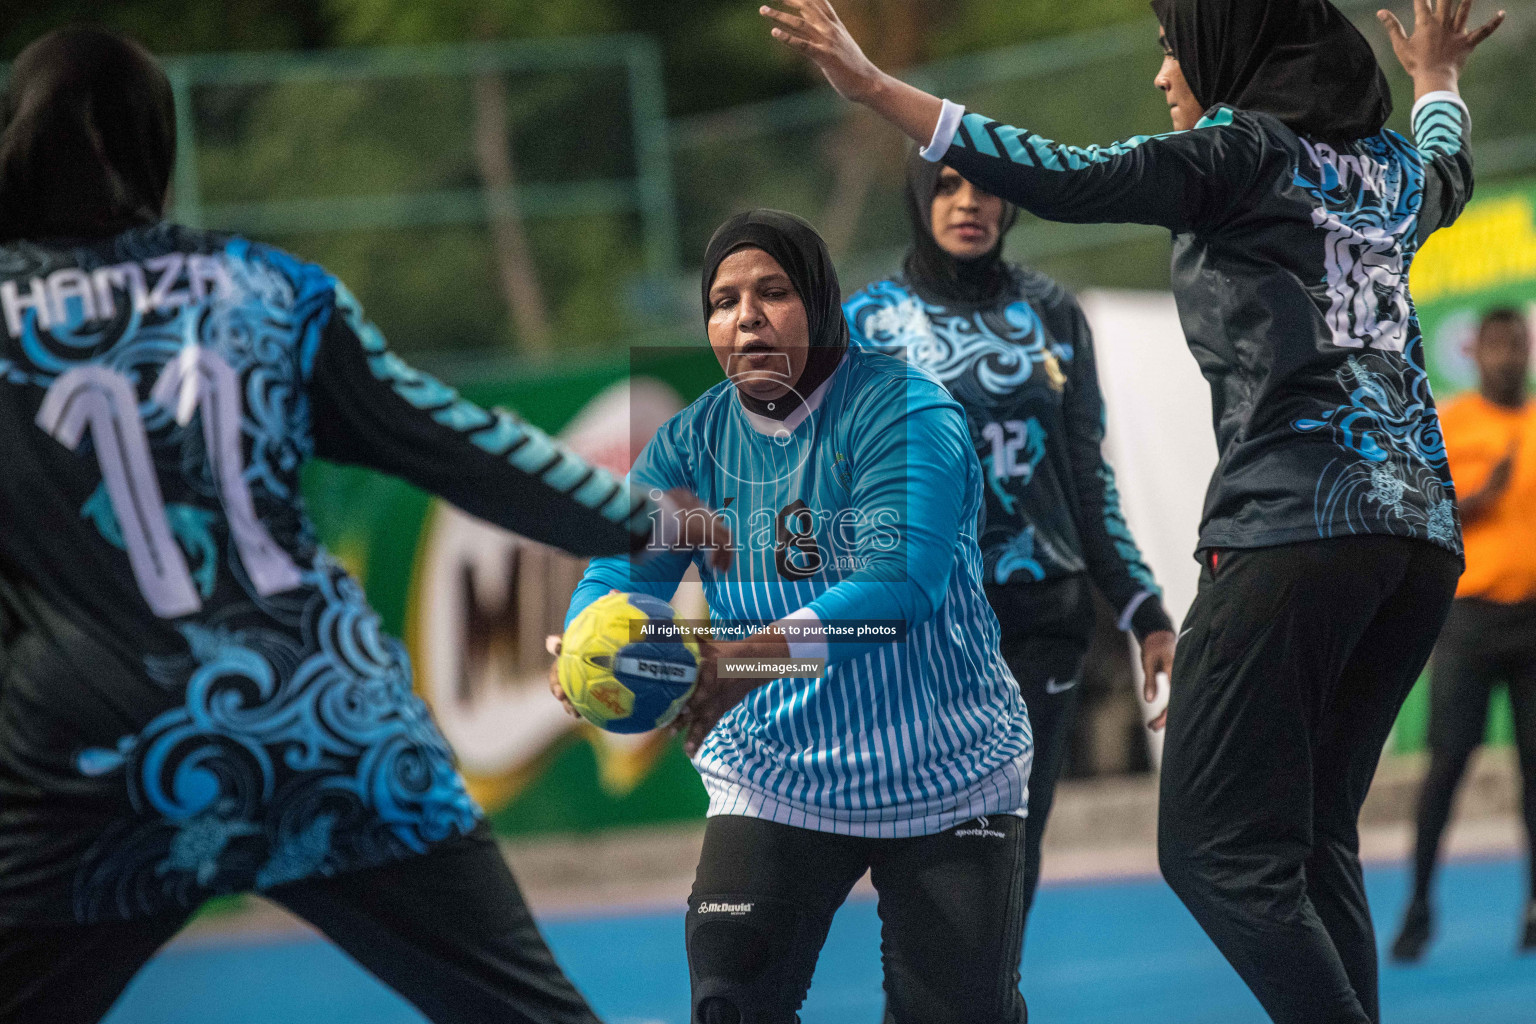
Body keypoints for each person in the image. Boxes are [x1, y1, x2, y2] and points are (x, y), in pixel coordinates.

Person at [760, 0, 1502, 1020]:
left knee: (1210, 852)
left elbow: (1075, 177)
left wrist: (879, 90)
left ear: (1227, 55)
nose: (1163, 75)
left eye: (1172, 50)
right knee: (1314, 836)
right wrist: (1438, 79)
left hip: (1293, 530)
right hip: (1419, 541)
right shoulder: (1385, 173)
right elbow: (1448, 170)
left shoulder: (1242, 152)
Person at [0, 28, 731, 1024]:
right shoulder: (271, 292)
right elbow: (460, 447)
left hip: (98, 760)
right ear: (159, 154)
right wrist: (645, 518)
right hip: (332, 730)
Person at [554, 209, 1032, 1024]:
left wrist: (740, 664)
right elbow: (619, 568)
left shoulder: (905, 412)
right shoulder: (690, 443)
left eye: (772, 292)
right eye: (722, 299)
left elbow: (900, 586)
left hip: (948, 773)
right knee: (729, 1003)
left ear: (819, 300)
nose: (745, 316)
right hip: (778, 774)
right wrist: (591, 638)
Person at [844, 152, 1175, 938]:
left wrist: (1143, 606)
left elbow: (1088, 476)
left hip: (1041, 621)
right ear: (918, 197)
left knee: (1011, 851)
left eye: (988, 185)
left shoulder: (1054, 311)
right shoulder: (865, 324)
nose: (970, 203)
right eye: (949, 186)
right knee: (926, 855)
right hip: (918, 629)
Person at [1392, 307, 1536, 961]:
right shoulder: (1453, 422)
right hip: (1470, 620)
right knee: (1448, 765)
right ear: (1477, 354)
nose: (1508, 357)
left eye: (1519, 346)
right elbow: (1418, 507)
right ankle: (1419, 904)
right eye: (1497, 346)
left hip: (1532, 621)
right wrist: (1479, 496)